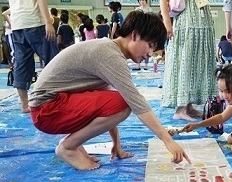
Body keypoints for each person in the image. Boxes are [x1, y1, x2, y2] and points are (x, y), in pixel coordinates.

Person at [28, 11, 191, 170]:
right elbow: (135, 101)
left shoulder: (108, 49)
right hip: (47, 110)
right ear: (134, 35)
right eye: (150, 46)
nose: (149, 54)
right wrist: (167, 140)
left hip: (51, 105)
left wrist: (117, 144)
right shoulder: (110, 55)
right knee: (124, 103)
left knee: (117, 100)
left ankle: (74, 144)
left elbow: (107, 104)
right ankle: (68, 147)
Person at [160, 0, 216, 121]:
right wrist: (167, 22)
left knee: (196, 63)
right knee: (186, 61)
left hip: (202, 20)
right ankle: (180, 109)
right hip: (186, 23)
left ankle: (188, 105)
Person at [9, 0, 59, 113]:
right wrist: (48, 22)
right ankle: (55, 98)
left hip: (17, 25)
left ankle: (25, 105)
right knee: (54, 60)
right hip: (35, 22)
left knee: (21, 64)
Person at [134, 0, 153, 70]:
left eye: (143, 0)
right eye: (140, 0)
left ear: (146, 1)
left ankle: (146, 64)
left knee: (147, 47)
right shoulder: (137, 9)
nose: (142, 2)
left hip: (147, 30)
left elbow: (151, 21)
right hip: (139, 30)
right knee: (137, 46)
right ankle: (138, 64)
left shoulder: (149, 9)